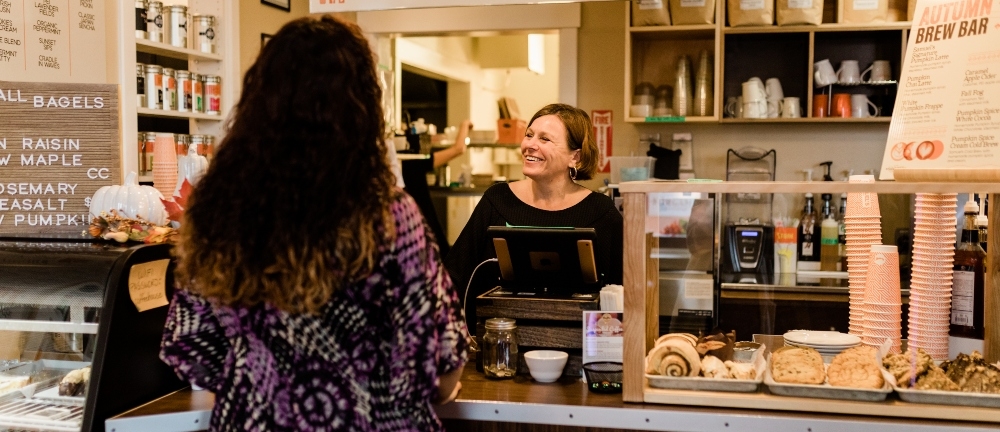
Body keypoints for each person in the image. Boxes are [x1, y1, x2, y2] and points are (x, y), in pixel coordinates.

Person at [159, 16, 468, 431]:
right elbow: (437, 359)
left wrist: (265, 375)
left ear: (258, 101)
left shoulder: (216, 212)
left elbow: (191, 346)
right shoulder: (391, 216)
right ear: (362, 108)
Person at [445, 104, 623, 329]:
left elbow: (621, 294)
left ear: (575, 157)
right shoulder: (497, 200)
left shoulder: (601, 212)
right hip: (499, 345)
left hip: (577, 350)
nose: (530, 145)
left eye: (545, 139)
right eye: (529, 135)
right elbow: (455, 274)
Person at [400, 120, 473, 256]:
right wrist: (465, 124)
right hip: (427, 230)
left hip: (412, 234)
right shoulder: (413, 164)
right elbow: (459, 148)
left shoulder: (404, 165)